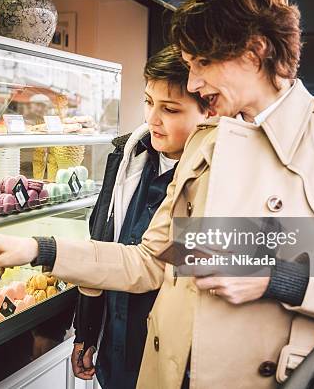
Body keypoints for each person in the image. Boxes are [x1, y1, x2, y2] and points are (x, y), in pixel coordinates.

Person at [0, 0, 314, 388]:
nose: (193, 83)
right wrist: (39, 249)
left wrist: (278, 279)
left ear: (255, 52)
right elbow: (150, 262)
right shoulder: (208, 141)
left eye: (201, 63)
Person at [71, 45, 213, 388]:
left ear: (209, 112)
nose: (152, 119)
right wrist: (87, 329)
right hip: (114, 350)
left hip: (172, 362)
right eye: (149, 102)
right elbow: (101, 240)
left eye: (170, 109)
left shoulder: (216, 178)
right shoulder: (125, 156)